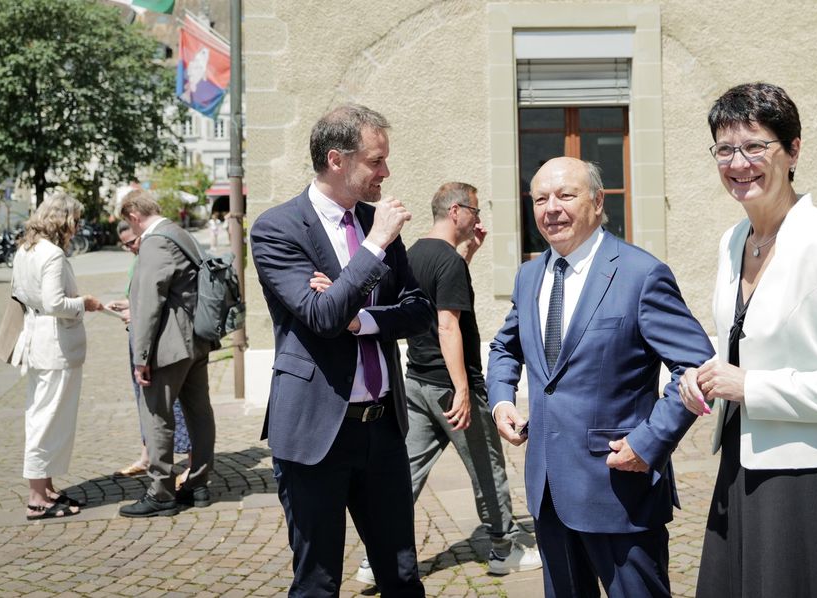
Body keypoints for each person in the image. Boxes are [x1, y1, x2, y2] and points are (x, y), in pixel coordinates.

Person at [679, 82, 817, 597]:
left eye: (756, 146)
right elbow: (742, 341)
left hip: (810, 484)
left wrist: (752, 388)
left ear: (794, 149)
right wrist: (705, 374)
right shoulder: (733, 241)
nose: (739, 163)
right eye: (725, 149)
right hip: (741, 470)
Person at [487, 157, 715, 597]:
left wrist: (649, 443)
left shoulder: (640, 274)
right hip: (549, 491)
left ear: (597, 200)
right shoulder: (530, 275)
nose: (551, 208)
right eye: (540, 199)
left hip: (618, 490)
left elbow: (697, 367)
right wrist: (501, 400)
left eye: (565, 195)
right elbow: (504, 347)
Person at [249, 103, 432, 597]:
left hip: (383, 431)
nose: (386, 172)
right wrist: (372, 247)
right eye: (376, 161)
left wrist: (363, 317)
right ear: (337, 159)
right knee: (318, 581)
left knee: (402, 574)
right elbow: (322, 318)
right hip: (314, 434)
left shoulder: (377, 224)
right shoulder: (278, 228)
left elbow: (418, 310)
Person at [338, 183, 540, 585]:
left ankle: (375, 559)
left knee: (405, 474)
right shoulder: (447, 261)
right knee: (487, 467)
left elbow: (425, 303)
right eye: (475, 211)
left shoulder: (414, 254)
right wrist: (463, 389)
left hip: (416, 383)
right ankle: (503, 548)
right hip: (450, 388)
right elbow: (447, 325)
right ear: (455, 212)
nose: (479, 219)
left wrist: (468, 254)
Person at [118, 189, 217, 518]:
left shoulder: (156, 240)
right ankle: (198, 483)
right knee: (198, 412)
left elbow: (149, 302)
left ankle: (161, 491)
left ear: (134, 215)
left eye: (129, 225)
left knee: (157, 414)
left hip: (171, 345)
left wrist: (141, 356)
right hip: (196, 340)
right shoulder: (181, 233)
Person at [10, 193, 102, 520]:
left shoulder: (26, 250)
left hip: (37, 339)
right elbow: (55, 303)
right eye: (75, 221)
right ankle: (37, 497)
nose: (77, 228)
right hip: (54, 343)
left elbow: (20, 294)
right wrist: (84, 303)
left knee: (46, 415)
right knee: (47, 419)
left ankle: (45, 486)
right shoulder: (52, 255)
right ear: (62, 220)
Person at [109, 222, 194, 488]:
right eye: (124, 244)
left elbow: (158, 301)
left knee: (174, 406)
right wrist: (129, 306)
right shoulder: (142, 256)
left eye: (132, 241)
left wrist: (135, 314)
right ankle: (148, 456)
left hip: (161, 341)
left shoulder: (158, 248)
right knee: (145, 402)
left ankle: (184, 469)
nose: (130, 247)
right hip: (142, 335)